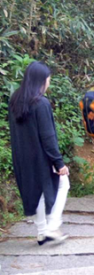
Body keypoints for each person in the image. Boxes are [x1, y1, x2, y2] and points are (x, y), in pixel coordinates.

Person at [9, 61, 70, 245]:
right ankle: (52, 227)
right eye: (48, 79)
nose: (49, 83)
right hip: (41, 157)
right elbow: (48, 137)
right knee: (63, 183)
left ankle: (42, 232)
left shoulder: (15, 100)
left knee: (38, 193)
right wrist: (59, 163)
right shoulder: (40, 103)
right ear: (41, 80)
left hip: (22, 157)